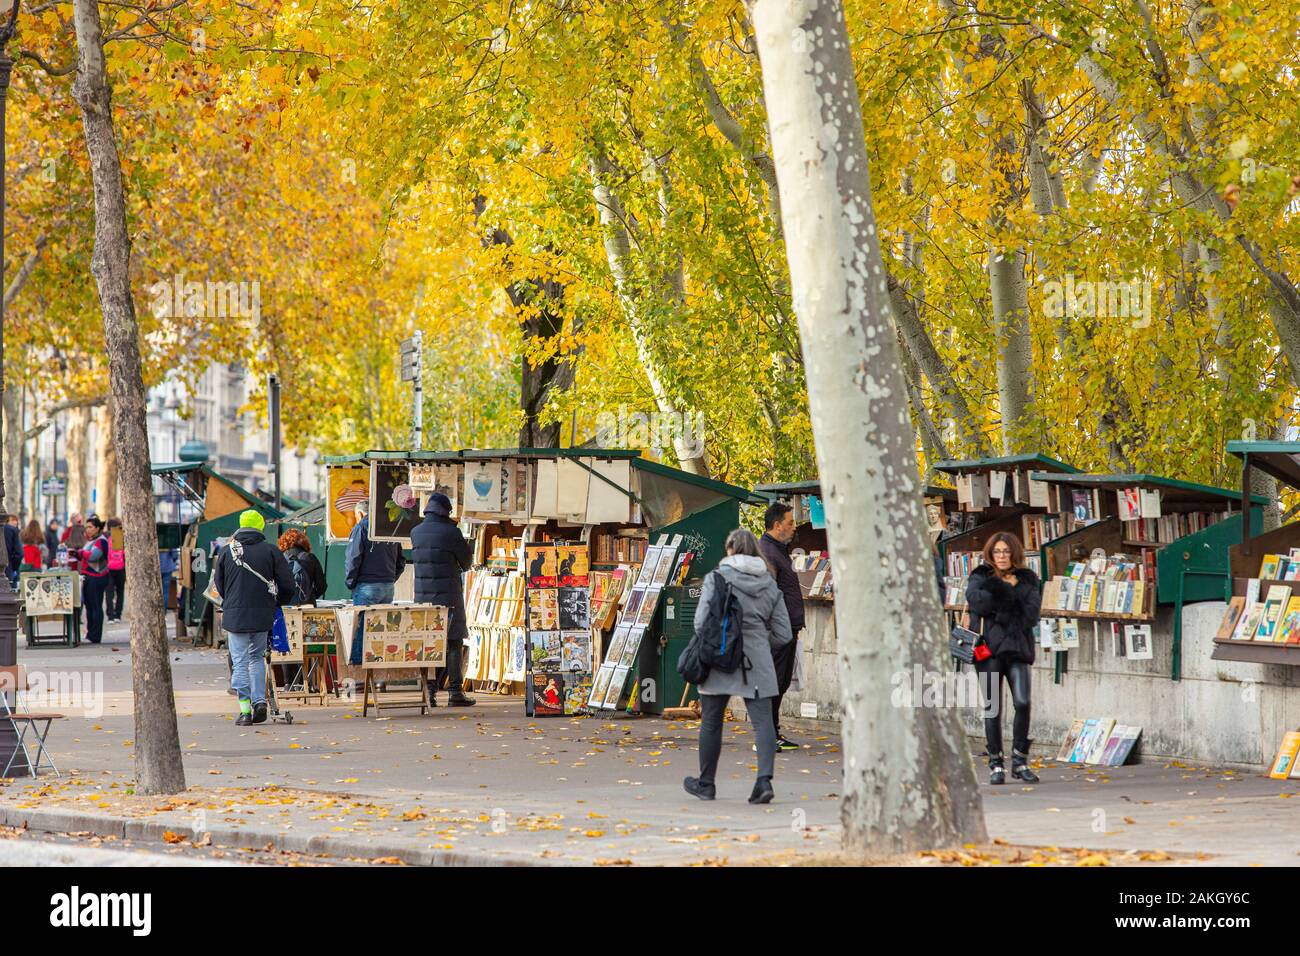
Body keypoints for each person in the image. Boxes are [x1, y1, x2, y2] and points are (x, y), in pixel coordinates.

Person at [684, 528, 793, 804]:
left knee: (711, 721)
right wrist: (757, 638)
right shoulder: (769, 583)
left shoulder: (716, 578)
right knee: (763, 723)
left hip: (719, 656)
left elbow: (700, 624)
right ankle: (763, 782)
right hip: (756, 661)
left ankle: (706, 784)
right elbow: (784, 633)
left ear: (730, 548)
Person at [965, 532, 1042, 786]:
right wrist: (1007, 595)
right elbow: (976, 602)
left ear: (1014, 554)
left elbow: (1031, 615)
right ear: (990, 553)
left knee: (1022, 702)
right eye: (997, 552)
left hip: (1018, 649)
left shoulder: (1028, 579)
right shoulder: (979, 576)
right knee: (992, 707)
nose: (1001, 556)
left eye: (1006, 552)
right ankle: (996, 763)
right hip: (988, 651)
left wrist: (999, 601)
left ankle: (1019, 760)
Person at [211, 510, 297, 725]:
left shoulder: (226, 551)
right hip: (262, 614)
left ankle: (245, 710)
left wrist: (231, 601)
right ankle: (260, 702)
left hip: (235, 615)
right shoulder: (271, 551)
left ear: (241, 526)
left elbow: (219, 586)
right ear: (260, 527)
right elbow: (287, 584)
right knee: (256, 657)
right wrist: (278, 602)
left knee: (239, 662)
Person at [409, 492, 474, 706]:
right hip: (449, 595)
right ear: (446, 511)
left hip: (423, 598)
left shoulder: (415, 533)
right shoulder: (451, 533)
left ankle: (430, 693)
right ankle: (455, 692)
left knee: (430, 645)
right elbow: (466, 563)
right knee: (454, 642)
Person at [758, 501, 805, 752]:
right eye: (790, 523)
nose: (794, 528)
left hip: (786, 628)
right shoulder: (767, 552)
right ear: (777, 526)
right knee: (773, 682)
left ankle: (772, 732)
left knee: (781, 682)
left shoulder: (777, 550)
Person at [344, 499, 406, 666]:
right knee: (382, 632)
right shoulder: (388, 528)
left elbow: (353, 558)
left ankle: (359, 675)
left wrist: (350, 582)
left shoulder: (361, 528)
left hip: (366, 586)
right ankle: (378, 675)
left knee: (361, 630)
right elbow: (401, 560)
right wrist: (391, 578)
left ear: (360, 513)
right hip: (387, 586)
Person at [79, 516, 112, 645]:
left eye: (90, 527)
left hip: (97, 577)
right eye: (86, 527)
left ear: (97, 528)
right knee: (89, 606)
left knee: (96, 606)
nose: (88, 530)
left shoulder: (101, 541)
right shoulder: (90, 541)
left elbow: (94, 556)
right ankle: (90, 633)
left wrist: (81, 553)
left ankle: (96, 635)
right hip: (88, 576)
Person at [277, 528, 326, 605]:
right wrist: (309, 596)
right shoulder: (310, 558)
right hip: (306, 606)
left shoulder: (279, 558)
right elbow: (322, 586)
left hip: (284, 606)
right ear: (304, 542)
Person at [106, 517, 126, 622]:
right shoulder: (122, 537)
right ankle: (118, 615)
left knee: (109, 592)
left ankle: (110, 616)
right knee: (120, 592)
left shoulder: (106, 538)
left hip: (109, 569)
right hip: (121, 568)